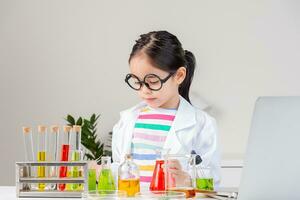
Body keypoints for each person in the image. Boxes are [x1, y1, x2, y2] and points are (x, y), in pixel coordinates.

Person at [112, 30, 221, 189]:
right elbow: (119, 171)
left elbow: (212, 181)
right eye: (137, 82)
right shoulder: (127, 121)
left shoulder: (202, 124)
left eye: (153, 81)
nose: (144, 90)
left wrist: (187, 180)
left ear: (179, 75)